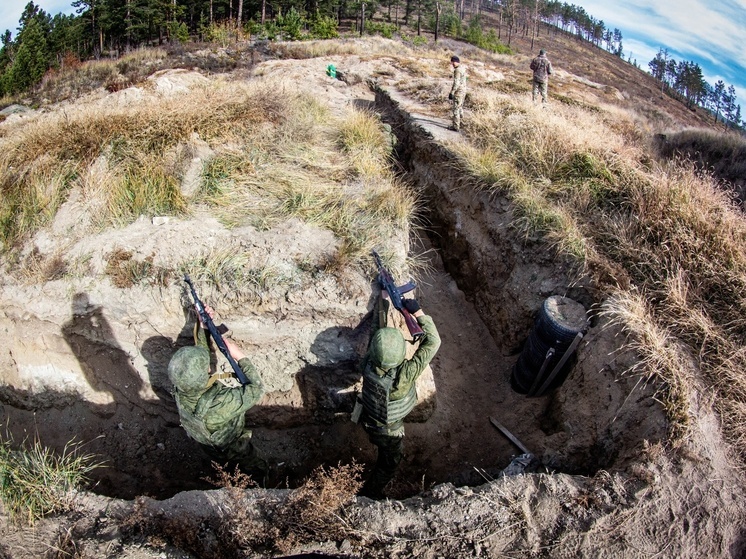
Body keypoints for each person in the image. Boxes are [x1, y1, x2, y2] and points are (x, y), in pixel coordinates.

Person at [168, 306, 267, 482]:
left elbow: (198, 359)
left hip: (207, 442)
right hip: (230, 446)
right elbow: (256, 389)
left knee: (224, 463)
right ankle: (261, 482)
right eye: (207, 368)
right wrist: (240, 357)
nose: (208, 366)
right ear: (205, 373)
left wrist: (203, 327)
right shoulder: (218, 404)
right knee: (255, 466)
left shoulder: (182, 386)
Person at [357, 295, 441, 499]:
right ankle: (368, 495)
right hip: (389, 430)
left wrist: (383, 301)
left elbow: (377, 333)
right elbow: (433, 342)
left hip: (367, 418)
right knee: (389, 463)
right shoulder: (404, 376)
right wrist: (418, 312)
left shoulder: (368, 363)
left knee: (378, 441)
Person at [448, 55, 467, 131]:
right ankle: (461, 124)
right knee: (460, 107)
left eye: (453, 62)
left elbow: (456, 82)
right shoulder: (462, 68)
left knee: (456, 109)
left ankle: (456, 127)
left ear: (456, 62)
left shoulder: (457, 70)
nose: (452, 64)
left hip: (458, 91)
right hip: (463, 91)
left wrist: (452, 92)